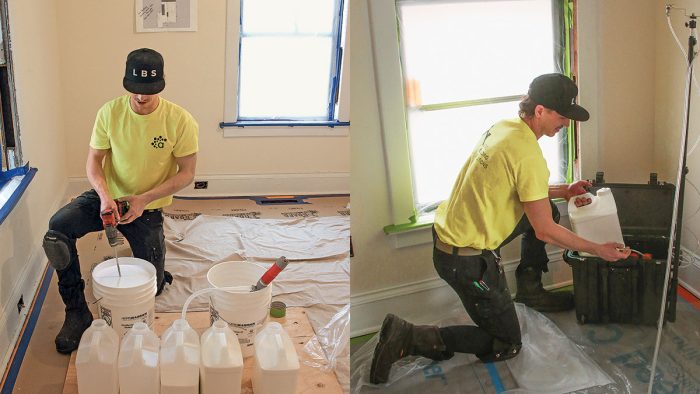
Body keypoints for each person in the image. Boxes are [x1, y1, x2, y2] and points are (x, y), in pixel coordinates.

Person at [369, 73, 630, 384]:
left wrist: (565, 191)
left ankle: (529, 290)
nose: (566, 124)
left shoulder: (506, 128)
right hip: (464, 261)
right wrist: (598, 249)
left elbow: (523, 188)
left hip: (452, 235)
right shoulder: (528, 154)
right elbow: (544, 232)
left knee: (544, 211)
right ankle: (409, 337)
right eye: (562, 116)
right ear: (541, 111)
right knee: (507, 343)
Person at [42, 48, 199, 354]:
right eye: (136, 91)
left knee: (151, 287)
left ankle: (158, 267)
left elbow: (187, 173)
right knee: (56, 231)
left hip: (148, 205)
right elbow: (94, 162)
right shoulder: (109, 113)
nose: (141, 98)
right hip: (109, 198)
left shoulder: (180, 120)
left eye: (149, 92)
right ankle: (76, 311)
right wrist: (103, 197)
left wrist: (143, 199)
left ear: (162, 84)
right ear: (127, 83)